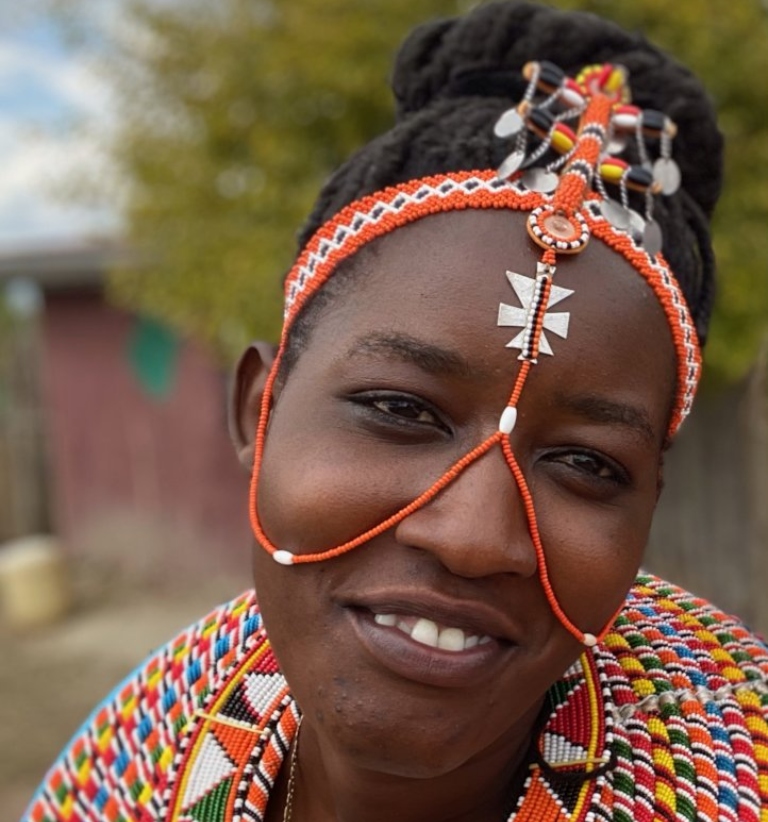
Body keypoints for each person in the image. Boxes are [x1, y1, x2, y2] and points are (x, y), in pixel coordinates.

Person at [24, 2, 768, 821]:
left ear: (646, 510)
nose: (474, 538)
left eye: (589, 463)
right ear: (257, 412)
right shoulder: (131, 779)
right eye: (400, 409)